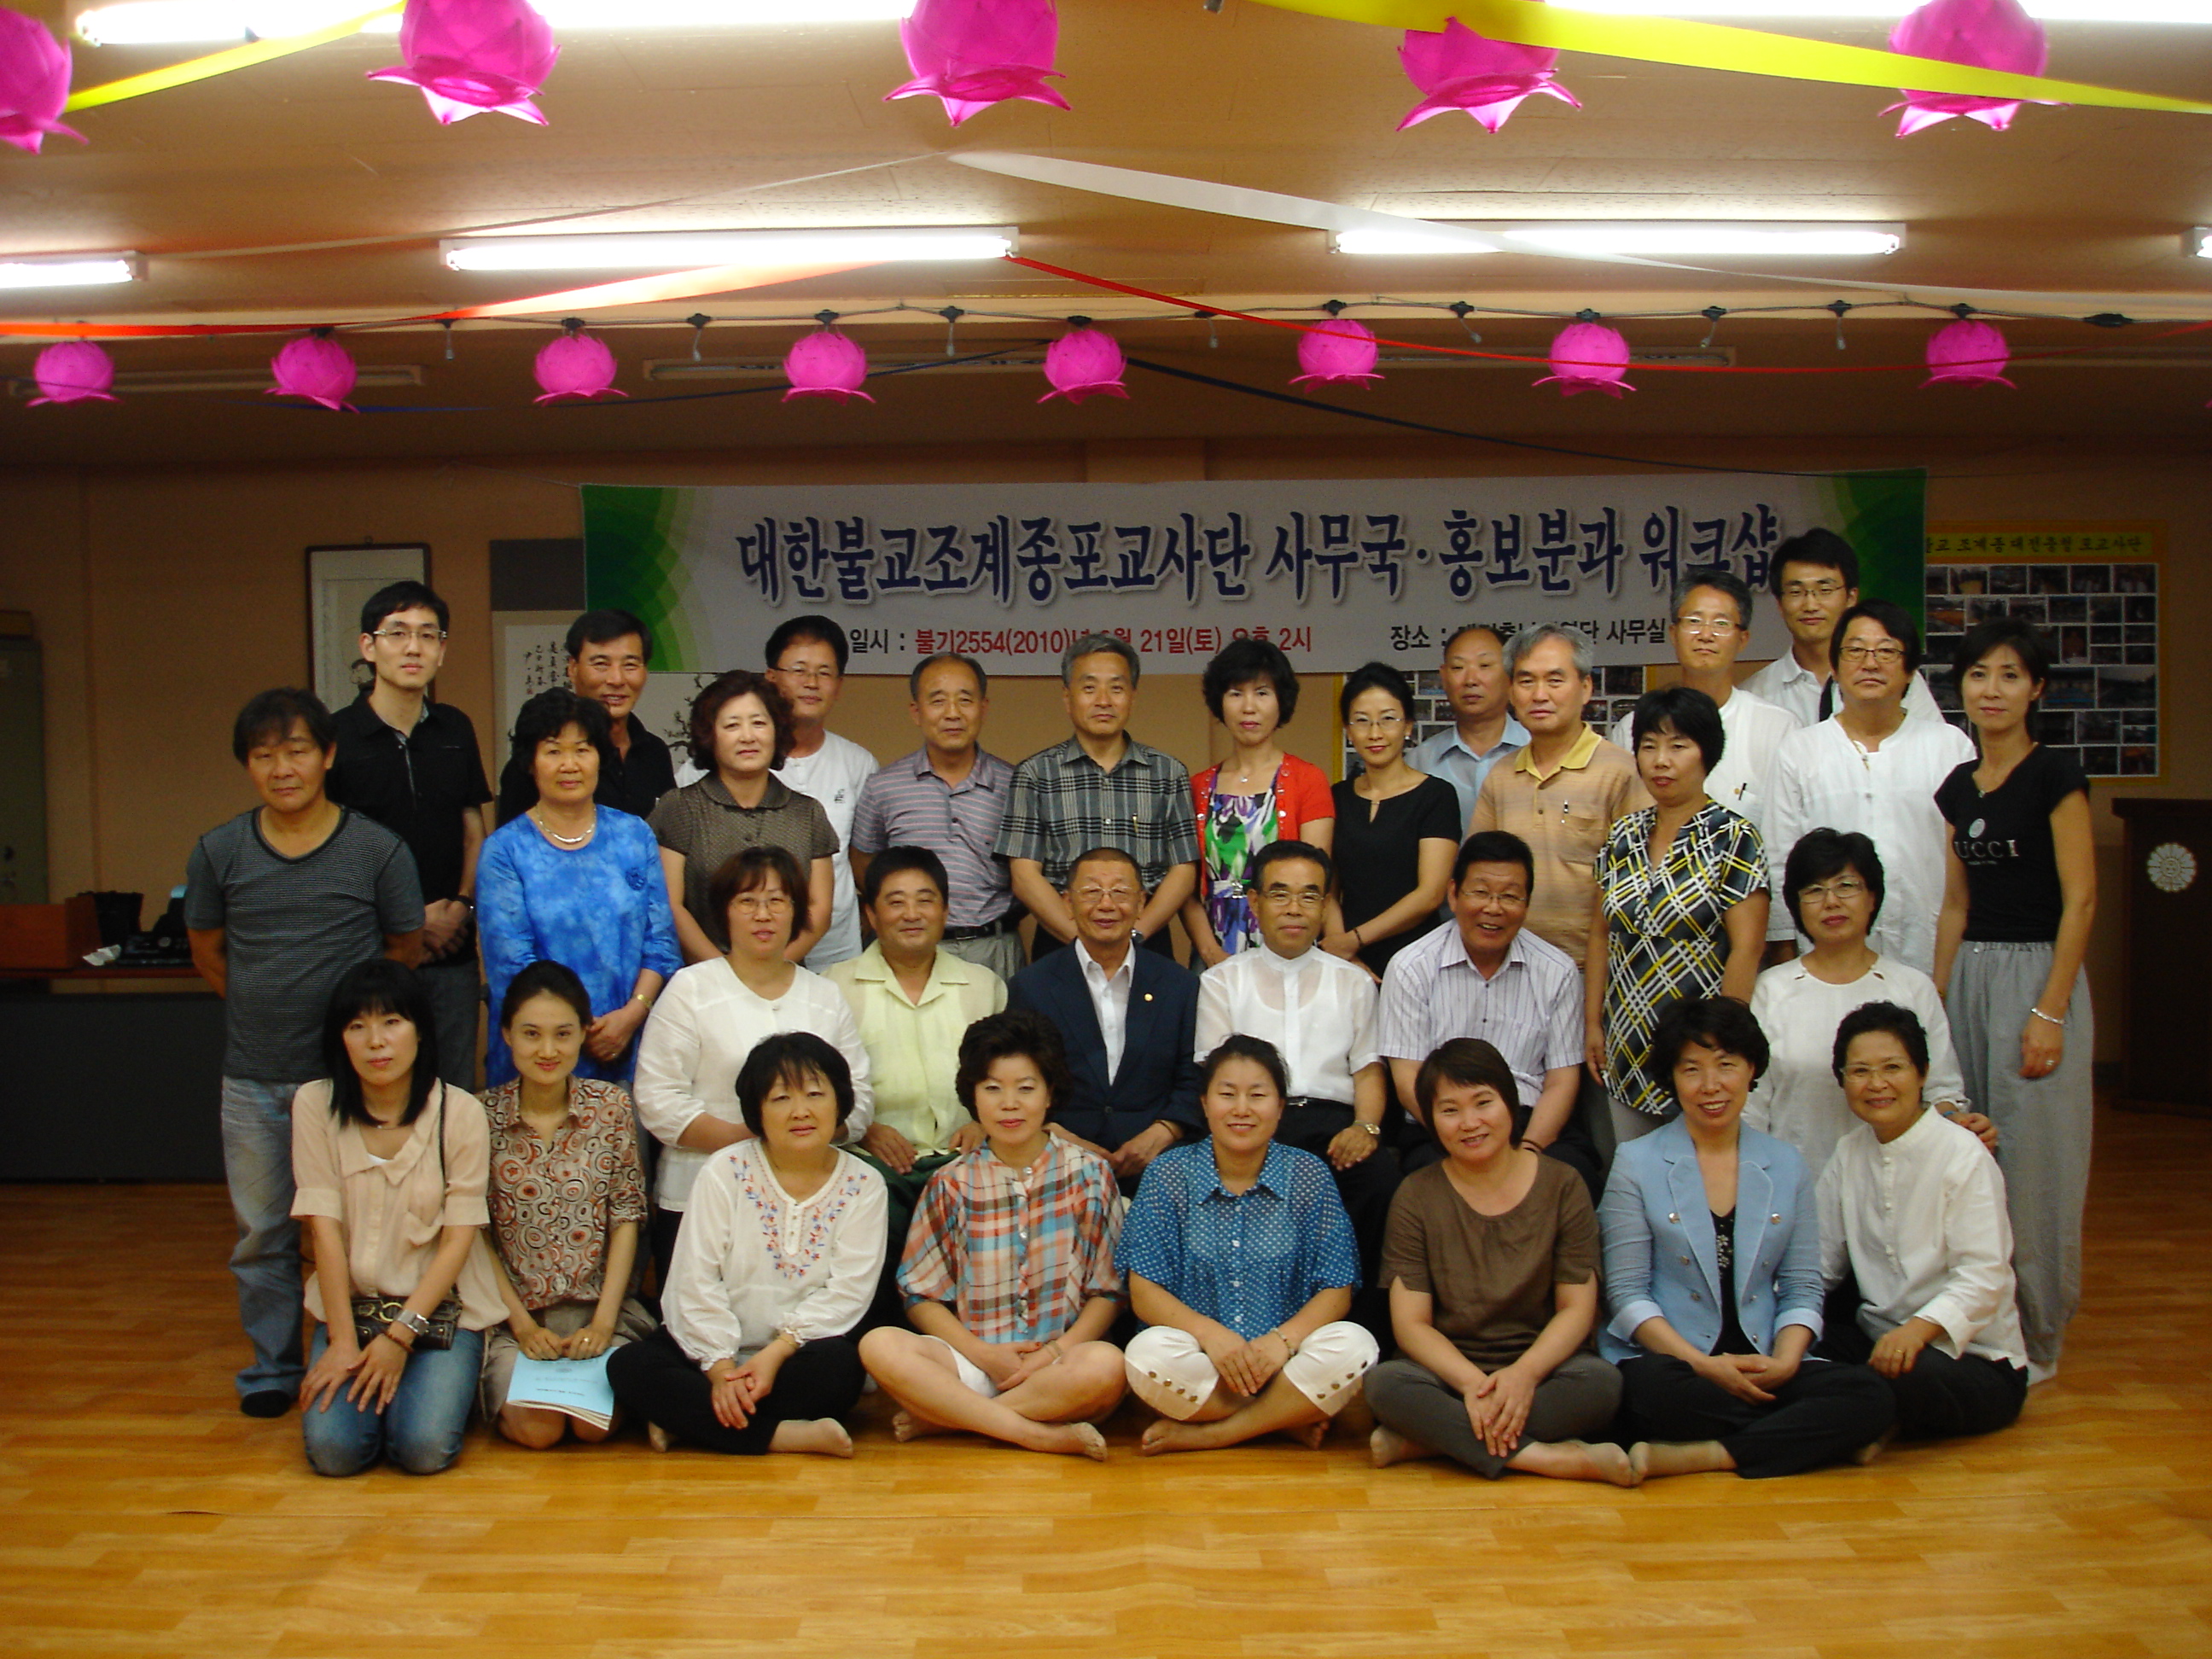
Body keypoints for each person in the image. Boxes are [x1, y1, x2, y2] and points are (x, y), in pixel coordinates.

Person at [185, 687, 424, 1418]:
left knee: (355, 1229)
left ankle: (352, 1347)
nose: (281, 768)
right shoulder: (219, 851)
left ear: (327, 756)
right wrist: (264, 1006)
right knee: (262, 1233)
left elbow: (404, 948)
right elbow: (207, 952)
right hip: (253, 1078)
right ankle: (271, 1369)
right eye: (264, 756)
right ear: (247, 766)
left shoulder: (377, 850)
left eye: (296, 751)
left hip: (348, 1084)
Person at [1599, 997, 1894, 1481]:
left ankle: (1711, 1454)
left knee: (1871, 1394)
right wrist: (1702, 1365)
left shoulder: (1785, 1163)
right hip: (1677, 1362)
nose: (1710, 1085)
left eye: (1726, 1065)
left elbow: (1802, 1287)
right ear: (1672, 1078)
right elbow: (1627, 1294)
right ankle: (1810, 1438)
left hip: (1763, 1357)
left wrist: (1787, 1360)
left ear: (1751, 1068)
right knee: (1649, 1395)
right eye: (1691, 1069)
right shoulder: (1636, 1161)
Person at [1933, 616, 2096, 1385]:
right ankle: (1986, 1324)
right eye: (1978, 675)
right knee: (1972, 1155)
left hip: (2037, 977)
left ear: (2036, 689)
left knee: (2038, 1167)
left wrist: (2050, 1011)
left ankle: (2041, 1336)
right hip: (1970, 972)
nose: (1991, 690)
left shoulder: (2055, 776)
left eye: (2008, 675)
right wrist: (1935, 1005)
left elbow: (2082, 900)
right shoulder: (1957, 787)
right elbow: (1954, 905)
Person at [859, 1011, 1128, 1459]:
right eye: (992, 1088)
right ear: (973, 1096)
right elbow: (920, 1295)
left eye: (1026, 1088)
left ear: (1050, 1094)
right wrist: (983, 1356)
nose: (1009, 1104)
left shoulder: (1090, 1174)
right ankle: (1035, 1434)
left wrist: (1053, 1353)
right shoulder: (950, 1182)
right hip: (972, 1359)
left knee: (1107, 1366)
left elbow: (1109, 1290)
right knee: (879, 1345)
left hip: (1057, 1363)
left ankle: (953, 1418)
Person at [1364, 1039, 1629, 1486]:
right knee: (1385, 1385)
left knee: (1601, 1384)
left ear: (1509, 1101)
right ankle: (1543, 1458)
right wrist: (1472, 1384)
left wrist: (1524, 1375)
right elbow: (1411, 1325)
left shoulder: (1563, 1184)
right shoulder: (1416, 1194)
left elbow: (1577, 1309)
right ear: (1431, 1120)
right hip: (1448, 1372)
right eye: (1450, 1110)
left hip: (1542, 1367)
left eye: (1483, 1102)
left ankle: (1430, 1442)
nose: (1470, 1123)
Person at [608, 1033, 886, 1457]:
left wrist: (774, 1355)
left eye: (815, 1094)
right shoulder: (725, 1170)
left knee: (839, 1370)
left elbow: (849, 1291)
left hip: (796, 1354)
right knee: (629, 1366)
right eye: (781, 1098)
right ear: (757, 1110)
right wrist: (721, 1368)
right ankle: (782, 1435)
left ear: (840, 1101)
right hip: (709, 1352)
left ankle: (692, 1424)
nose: (800, 1111)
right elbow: (694, 1279)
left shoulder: (864, 1184)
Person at [289, 961, 504, 1476]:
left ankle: (435, 1389)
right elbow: (323, 1231)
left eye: (391, 1022)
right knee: (335, 1454)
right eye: (357, 1026)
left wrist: (399, 1337)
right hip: (351, 1310)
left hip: (441, 1312)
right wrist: (344, 1342)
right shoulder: (315, 1104)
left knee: (422, 1448)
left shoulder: (459, 1112)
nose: (376, 1042)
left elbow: (459, 1241)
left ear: (419, 1030)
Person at [1118, 1036, 1380, 1454]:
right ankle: (1285, 1417)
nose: (1242, 1109)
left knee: (1356, 1346)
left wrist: (1281, 1342)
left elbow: (1337, 1288)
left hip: (1286, 1360)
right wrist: (1212, 1337)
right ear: (1205, 1104)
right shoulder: (1169, 1174)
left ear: (1280, 1107)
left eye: (1257, 1095)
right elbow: (1144, 1291)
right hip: (1204, 1359)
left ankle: (1217, 1432)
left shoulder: (1308, 1174)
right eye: (1227, 1094)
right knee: (1146, 1356)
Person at [633, 845, 874, 1297]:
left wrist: (800, 1143)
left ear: (797, 912)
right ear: (724, 912)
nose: (763, 915)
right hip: (698, 1192)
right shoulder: (690, 989)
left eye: (777, 901)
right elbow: (657, 1098)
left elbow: (858, 1098)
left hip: (809, 1201)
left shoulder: (824, 995)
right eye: (747, 901)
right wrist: (755, 1143)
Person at [1195, 840, 1398, 1323]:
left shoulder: (1353, 982)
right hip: (1255, 1123)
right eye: (1280, 894)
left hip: (1334, 1126)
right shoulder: (1222, 981)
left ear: (1326, 906)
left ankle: (1361, 1325)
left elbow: (1368, 1069)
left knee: (1380, 1178)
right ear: (1254, 902)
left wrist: (1365, 1128)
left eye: (1310, 896)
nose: (1294, 909)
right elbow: (1215, 1078)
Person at [1818, 1003, 2029, 1441]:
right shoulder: (1848, 1153)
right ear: (1842, 1080)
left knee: (1905, 1376)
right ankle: (1859, 1421)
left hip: (1971, 1360)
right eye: (1860, 1071)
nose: (1876, 1084)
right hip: (1878, 1343)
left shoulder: (1963, 1154)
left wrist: (1915, 1333)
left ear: (1923, 1073)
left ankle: (1851, 1419)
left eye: (1892, 1067)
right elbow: (1820, 1264)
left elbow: (1984, 1277)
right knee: (1786, 1342)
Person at [476, 959, 657, 1450]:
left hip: (599, 1312)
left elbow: (626, 1217)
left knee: (592, 1427)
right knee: (538, 1432)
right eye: (531, 1034)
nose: (548, 1050)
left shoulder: (611, 1107)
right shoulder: (480, 1116)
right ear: (507, 1035)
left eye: (562, 1034)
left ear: (583, 1033)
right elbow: (475, 1233)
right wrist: (522, 1326)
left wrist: (603, 1322)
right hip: (515, 1319)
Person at [326, 579, 492, 1089]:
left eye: (427, 634)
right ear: (368, 646)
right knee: (375, 1093)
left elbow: (473, 830)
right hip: (370, 956)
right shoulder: (336, 736)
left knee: (453, 1092)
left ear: (442, 649)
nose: (413, 647)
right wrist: (408, 926)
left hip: (451, 950)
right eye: (397, 633)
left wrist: (461, 906)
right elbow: (332, 852)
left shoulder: (455, 728)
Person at [1586, 686, 1770, 1144]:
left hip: (1700, 1049)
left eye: (1678, 746)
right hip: (1626, 1040)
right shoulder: (1623, 835)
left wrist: (1722, 1047)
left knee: (1702, 1166)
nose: (1661, 761)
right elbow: (1601, 933)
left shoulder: (1734, 837)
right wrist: (1592, 1022)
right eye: (1649, 746)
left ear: (1707, 753)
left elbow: (1747, 948)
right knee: (1633, 1169)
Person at [1746, 829, 1982, 1177]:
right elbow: (1752, 1105)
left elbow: (1941, 1089)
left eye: (1846, 886)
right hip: (1796, 1180)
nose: (1831, 902)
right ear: (1796, 906)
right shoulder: (1771, 990)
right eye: (1814, 890)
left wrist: (1955, 1120)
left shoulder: (1913, 988)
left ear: (1873, 897)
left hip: (1897, 1180)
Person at [476, 689, 680, 1089]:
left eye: (582, 750)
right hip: (541, 1055)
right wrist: (577, 1031)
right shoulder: (505, 851)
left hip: (630, 1042)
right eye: (553, 751)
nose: (569, 764)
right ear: (530, 762)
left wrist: (631, 1015)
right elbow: (512, 967)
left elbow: (661, 944)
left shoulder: (634, 835)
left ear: (600, 757)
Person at [825, 845, 1006, 1288]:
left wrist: (985, 1125)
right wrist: (861, 1129)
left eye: (925, 900)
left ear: (945, 911)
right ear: (871, 914)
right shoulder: (834, 988)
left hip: (965, 1162)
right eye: (896, 901)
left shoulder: (983, 986)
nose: (912, 914)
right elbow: (820, 1086)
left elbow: (1007, 1078)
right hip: (871, 1166)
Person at [1765, 600, 1974, 975]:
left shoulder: (1950, 747)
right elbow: (1780, 858)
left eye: (1887, 651)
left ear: (1910, 671)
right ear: (1834, 666)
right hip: (1827, 959)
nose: (1870, 663)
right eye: (1856, 650)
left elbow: (1967, 864)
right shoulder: (1800, 750)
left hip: (1932, 954)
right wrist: (1785, 954)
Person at [1376, 832, 1590, 1187]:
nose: (1493, 908)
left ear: (1527, 903)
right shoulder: (1410, 967)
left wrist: (1528, 1152)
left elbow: (1562, 1081)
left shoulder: (1558, 971)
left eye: (1509, 896)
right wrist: (1464, 1135)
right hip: (1441, 1125)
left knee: (1573, 1175)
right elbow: (1407, 1078)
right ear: (1453, 894)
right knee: (1431, 1183)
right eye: (1480, 892)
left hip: (1529, 1122)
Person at [1005, 847, 1204, 1190]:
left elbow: (1194, 1077)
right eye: (1092, 892)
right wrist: (1058, 1136)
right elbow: (1019, 1079)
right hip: (1057, 1163)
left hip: (1162, 1162)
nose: (1107, 904)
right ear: (1068, 903)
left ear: (1141, 903)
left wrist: (1164, 1132)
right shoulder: (1031, 986)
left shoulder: (1179, 985)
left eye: (1121, 892)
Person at [996, 633, 1199, 958]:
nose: (1103, 701)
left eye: (1116, 688)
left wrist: (1135, 936)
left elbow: (1183, 870)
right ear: (1067, 697)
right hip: (1061, 941)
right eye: (1089, 688)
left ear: (1132, 697)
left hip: (1146, 940)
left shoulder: (1168, 772)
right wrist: (1083, 941)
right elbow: (1024, 875)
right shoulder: (1036, 773)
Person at [1472, 623, 1650, 969]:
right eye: (1526, 681)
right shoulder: (1501, 775)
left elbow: (1638, 889)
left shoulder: (1622, 772)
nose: (1539, 695)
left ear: (1585, 688)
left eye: (1555, 680)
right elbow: (1479, 874)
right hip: (1511, 966)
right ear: (1511, 692)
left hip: (1595, 969)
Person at [851, 652, 1022, 981]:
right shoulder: (883, 787)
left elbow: (1031, 873)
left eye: (965, 700)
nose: (952, 713)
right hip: (910, 950)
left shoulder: (1015, 785)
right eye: (938, 701)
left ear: (983, 708)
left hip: (993, 947)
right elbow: (864, 864)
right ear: (916, 711)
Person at [651, 670, 837, 966]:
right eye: (732, 725)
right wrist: (726, 976)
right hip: (701, 977)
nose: (748, 736)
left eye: (759, 723)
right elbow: (670, 906)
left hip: (784, 975)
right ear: (710, 735)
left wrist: (770, 970)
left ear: (777, 731)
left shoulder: (808, 813)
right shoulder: (681, 807)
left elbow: (820, 909)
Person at [1183, 637, 1335, 967]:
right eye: (1236, 693)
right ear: (1220, 702)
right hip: (1214, 950)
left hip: (1288, 948)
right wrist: (1211, 953)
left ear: (1281, 701)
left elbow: (1314, 880)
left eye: (1262, 693)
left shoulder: (1309, 780)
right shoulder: (1196, 786)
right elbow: (1185, 887)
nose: (1248, 707)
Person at [1607, 569, 1797, 830]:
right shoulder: (1633, 727)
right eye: (1694, 621)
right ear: (1673, 633)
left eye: (1721, 623)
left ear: (1743, 639)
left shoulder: (1778, 728)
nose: (1706, 635)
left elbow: (1786, 833)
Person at [1320, 661, 1461, 979]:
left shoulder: (1436, 796)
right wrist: (1343, 951)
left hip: (1418, 959)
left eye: (1388, 719)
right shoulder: (1336, 796)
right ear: (1348, 730)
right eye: (1362, 721)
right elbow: (1327, 886)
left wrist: (1354, 940)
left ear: (1408, 725)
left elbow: (1430, 894)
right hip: (1345, 962)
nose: (1375, 733)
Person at [1742, 530, 1943, 727]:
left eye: (1825, 590)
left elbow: (1933, 743)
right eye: (1796, 592)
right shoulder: (1756, 692)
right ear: (1779, 603)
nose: (1811, 605)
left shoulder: (1892, 678)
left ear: (1851, 597)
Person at [765, 615, 877, 969]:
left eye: (824, 673)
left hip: (837, 950)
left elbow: (864, 858)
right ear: (771, 677)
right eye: (799, 670)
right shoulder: (732, 759)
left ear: (839, 685)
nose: (811, 683)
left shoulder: (858, 764)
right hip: (749, 946)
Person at [495, 609, 677, 823]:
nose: (616, 679)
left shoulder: (655, 753)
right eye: (601, 664)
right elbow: (513, 838)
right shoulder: (543, 759)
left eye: (630, 665)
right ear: (573, 668)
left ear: (645, 671)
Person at [1411, 624, 1529, 833]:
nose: (1471, 680)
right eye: (1458, 668)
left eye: (1485, 665)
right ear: (1444, 677)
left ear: (1511, 673)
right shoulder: (1419, 763)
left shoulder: (1537, 748)